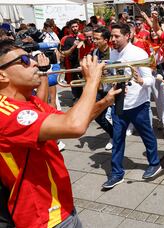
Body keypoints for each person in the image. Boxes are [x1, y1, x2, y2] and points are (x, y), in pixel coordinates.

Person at [0, 39, 118, 227]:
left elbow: (69, 120)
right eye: (23, 59)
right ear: (2, 75)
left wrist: (105, 102)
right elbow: (75, 126)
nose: (34, 62)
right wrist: (93, 80)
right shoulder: (5, 113)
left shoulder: (31, 101)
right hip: (43, 217)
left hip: (60, 205)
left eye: (31, 56)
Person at [102, 23, 161, 190]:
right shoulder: (112, 53)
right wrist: (107, 77)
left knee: (147, 136)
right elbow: (112, 77)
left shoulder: (138, 53)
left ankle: (155, 163)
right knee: (117, 138)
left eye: (116, 36)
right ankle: (116, 173)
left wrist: (141, 81)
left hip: (138, 103)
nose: (112, 39)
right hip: (119, 102)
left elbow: (150, 79)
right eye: (111, 36)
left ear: (127, 36)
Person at [92, 27, 114, 150]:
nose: (94, 41)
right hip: (100, 88)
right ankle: (113, 134)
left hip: (112, 87)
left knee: (117, 117)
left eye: (97, 39)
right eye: (94, 38)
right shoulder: (94, 52)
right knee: (97, 115)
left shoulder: (113, 52)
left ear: (106, 40)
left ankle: (118, 137)